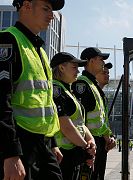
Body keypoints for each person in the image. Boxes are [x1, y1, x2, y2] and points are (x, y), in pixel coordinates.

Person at [0, 0, 65, 179]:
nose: (51, 15)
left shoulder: (40, 51)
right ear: (26, 6)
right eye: (46, 9)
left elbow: (45, 101)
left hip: (41, 143)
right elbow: (1, 99)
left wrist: (52, 143)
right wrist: (10, 153)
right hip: (20, 143)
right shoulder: (8, 40)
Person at [50, 52, 96, 180]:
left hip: (74, 152)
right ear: (61, 68)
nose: (78, 71)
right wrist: (86, 149)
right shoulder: (56, 90)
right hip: (63, 154)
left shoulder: (67, 90)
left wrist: (91, 141)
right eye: (74, 67)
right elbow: (66, 127)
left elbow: (80, 123)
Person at [71, 47, 115, 180]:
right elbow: (79, 120)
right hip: (88, 143)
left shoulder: (92, 84)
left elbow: (99, 118)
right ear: (90, 61)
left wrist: (107, 136)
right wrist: (86, 147)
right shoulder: (82, 85)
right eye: (100, 59)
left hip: (98, 142)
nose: (103, 63)